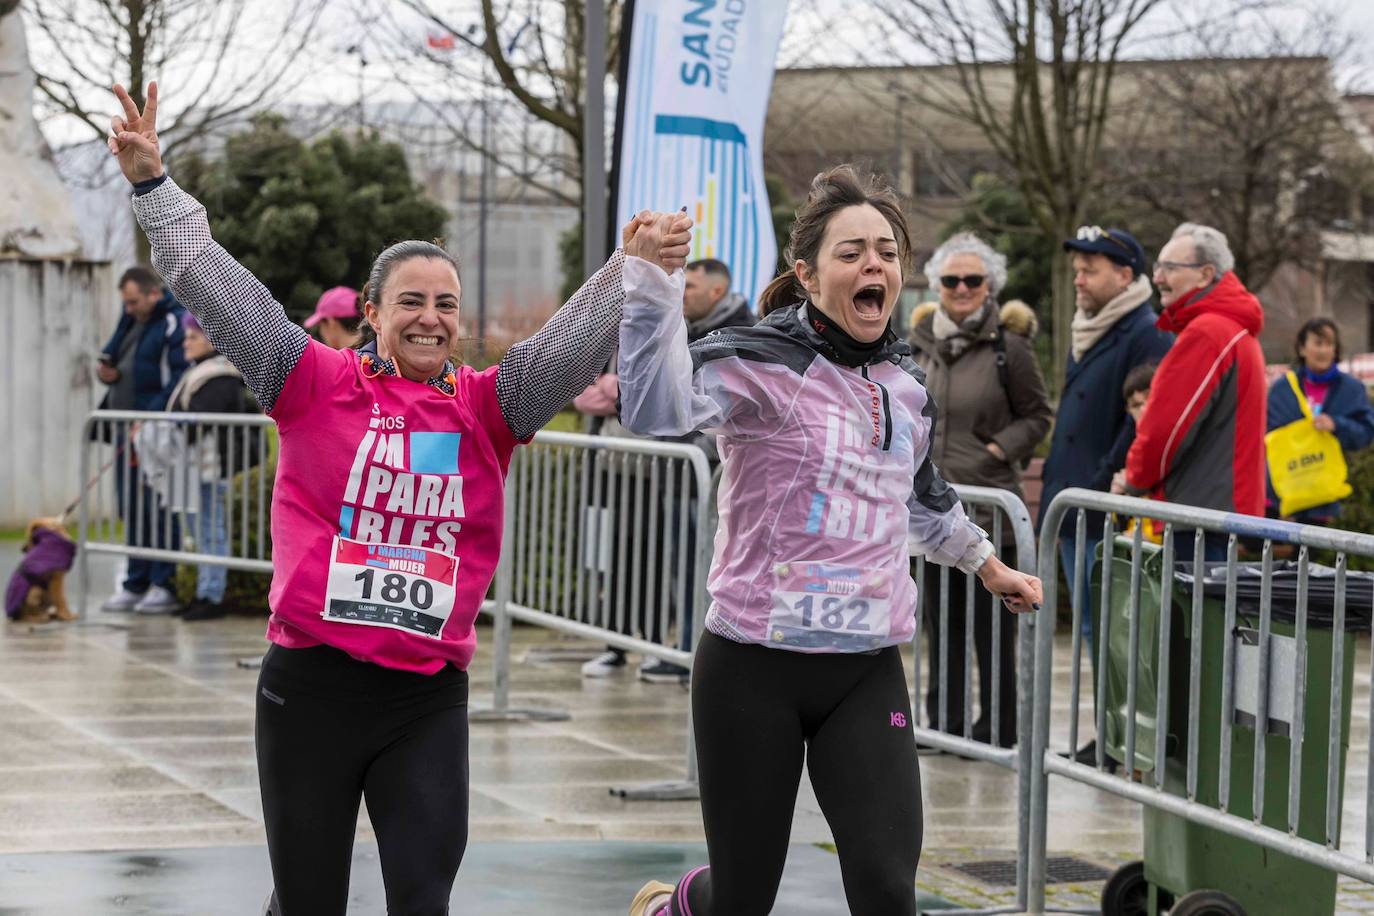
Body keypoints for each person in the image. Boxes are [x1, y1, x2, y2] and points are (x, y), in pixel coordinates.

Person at [108, 81, 691, 916]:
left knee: (423, 898)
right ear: (372, 312)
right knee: (309, 902)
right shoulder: (305, 376)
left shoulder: (492, 406)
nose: (429, 318)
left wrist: (628, 268)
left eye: (445, 305)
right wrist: (153, 188)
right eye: (410, 303)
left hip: (424, 700)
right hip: (310, 690)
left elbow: (568, 343)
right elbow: (214, 281)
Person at [617, 165, 1042, 916]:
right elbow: (654, 407)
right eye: (851, 252)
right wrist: (653, 284)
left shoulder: (905, 385)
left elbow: (920, 494)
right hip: (753, 667)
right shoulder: (756, 359)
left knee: (885, 888)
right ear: (808, 274)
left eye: (886, 250)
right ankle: (672, 908)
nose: (872, 264)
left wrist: (987, 564)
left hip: (863, 668)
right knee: (742, 898)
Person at [577, 259, 755, 684]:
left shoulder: (742, 333)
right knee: (679, 568)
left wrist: (698, 444)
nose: (684, 294)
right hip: (675, 476)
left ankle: (693, 656)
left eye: (690, 286)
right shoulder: (688, 327)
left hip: (708, 478)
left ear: (716, 292)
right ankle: (678, 652)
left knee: (705, 572)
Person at [908, 234, 1053, 748]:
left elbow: (1038, 414)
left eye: (974, 280)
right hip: (932, 511)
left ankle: (997, 730)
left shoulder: (1008, 348)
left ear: (990, 286)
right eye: (952, 280)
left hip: (990, 509)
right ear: (937, 286)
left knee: (993, 634)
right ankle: (943, 726)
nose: (962, 288)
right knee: (941, 628)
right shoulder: (917, 343)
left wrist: (998, 450)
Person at [1040, 225, 1171, 764]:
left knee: (1118, 631)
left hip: (1103, 507)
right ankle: (1109, 735)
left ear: (1125, 275)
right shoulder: (1089, 326)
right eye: (1077, 268)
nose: (1079, 277)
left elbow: (1138, 420)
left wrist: (1095, 483)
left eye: (1090, 269)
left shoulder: (1145, 330)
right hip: (1076, 504)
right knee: (1095, 627)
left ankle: (1122, 738)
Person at [1122, 223, 1267, 562]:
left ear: (1205, 275)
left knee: (1190, 613)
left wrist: (1133, 478)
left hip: (1199, 515)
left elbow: (1165, 430)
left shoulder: (1207, 332)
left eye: (1170, 268)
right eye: (1158, 267)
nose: (1157, 277)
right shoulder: (1230, 329)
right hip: (1219, 510)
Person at [97, 264, 188, 614]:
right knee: (130, 507)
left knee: (157, 508)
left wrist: (148, 415)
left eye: (134, 301)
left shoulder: (172, 322)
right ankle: (135, 582)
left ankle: (163, 583)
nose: (129, 308)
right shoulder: (132, 320)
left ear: (154, 293)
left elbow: (178, 377)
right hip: (126, 431)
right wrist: (106, 372)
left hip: (154, 434)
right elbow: (116, 357)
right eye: (126, 303)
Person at [166, 313, 263, 621]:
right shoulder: (202, 371)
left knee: (211, 529)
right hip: (196, 465)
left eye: (192, 337)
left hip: (211, 466)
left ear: (209, 339)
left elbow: (200, 420)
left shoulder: (219, 375)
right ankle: (204, 591)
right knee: (201, 530)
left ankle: (212, 594)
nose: (186, 343)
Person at [1265, 318, 1374, 524]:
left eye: (1329, 344)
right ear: (1302, 348)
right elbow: (1268, 440)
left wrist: (1337, 425)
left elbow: (1366, 434)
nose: (1323, 350)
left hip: (1330, 500)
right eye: (1317, 343)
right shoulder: (1282, 389)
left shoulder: (1352, 389)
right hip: (1283, 497)